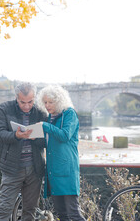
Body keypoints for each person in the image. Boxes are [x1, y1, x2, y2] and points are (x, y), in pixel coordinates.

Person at [0, 82, 47, 221]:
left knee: (30, 211)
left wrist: (35, 138)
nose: (27, 106)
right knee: (4, 209)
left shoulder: (41, 112)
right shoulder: (5, 108)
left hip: (35, 168)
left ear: (35, 97)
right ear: (16, 97)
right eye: (22, 102)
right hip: (12, 168)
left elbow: (47, 142)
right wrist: (16, 136)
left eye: (30, 102)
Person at [36, 85, 86, 221]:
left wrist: (44, 126)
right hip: (53, 170)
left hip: (66, 170)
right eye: (45, 102)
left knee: (74, 213)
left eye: (50, 102)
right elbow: (50, 142)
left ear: (59, 101)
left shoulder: (69, 114)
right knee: (62, 214)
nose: (47, 105)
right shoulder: (51, 117)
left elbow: (65, 135)